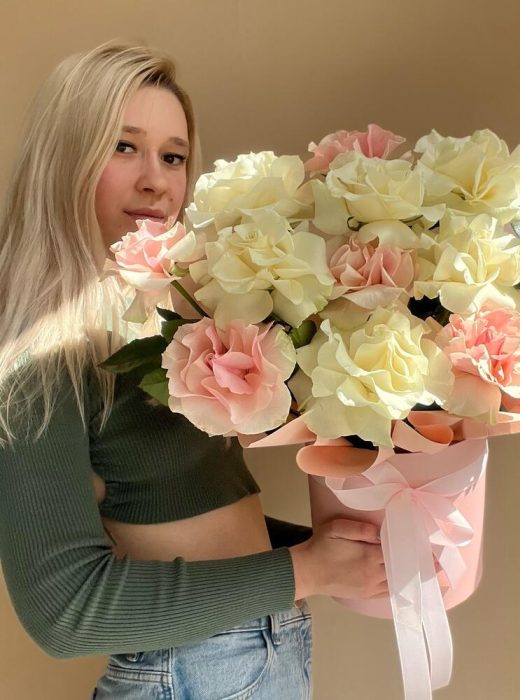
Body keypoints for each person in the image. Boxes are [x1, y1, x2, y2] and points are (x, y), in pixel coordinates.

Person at [0, 39, 387, 699]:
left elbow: (187, 524)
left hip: (249, 660)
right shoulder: (35, 355)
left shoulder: (157, 321)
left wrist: (343, 553)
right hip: (189, 677)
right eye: (124, 147)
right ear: (64, 159)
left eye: (173, 156)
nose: (156, 180)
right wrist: (309, 570)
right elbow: (65, 611)